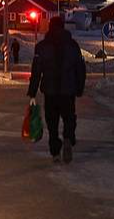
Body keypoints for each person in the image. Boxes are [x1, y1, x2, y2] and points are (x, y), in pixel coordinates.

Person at [28, 17, 86, 164]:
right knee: (69, 118)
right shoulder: (73, 45)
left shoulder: (42, 47)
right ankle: (68, 138)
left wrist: (32, 91)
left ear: (50, 27)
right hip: (68, 91)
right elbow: (80, 69)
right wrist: (79, 88)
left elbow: (36, 71)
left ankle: (55, 152)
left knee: (52, 122)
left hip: (50, 90)